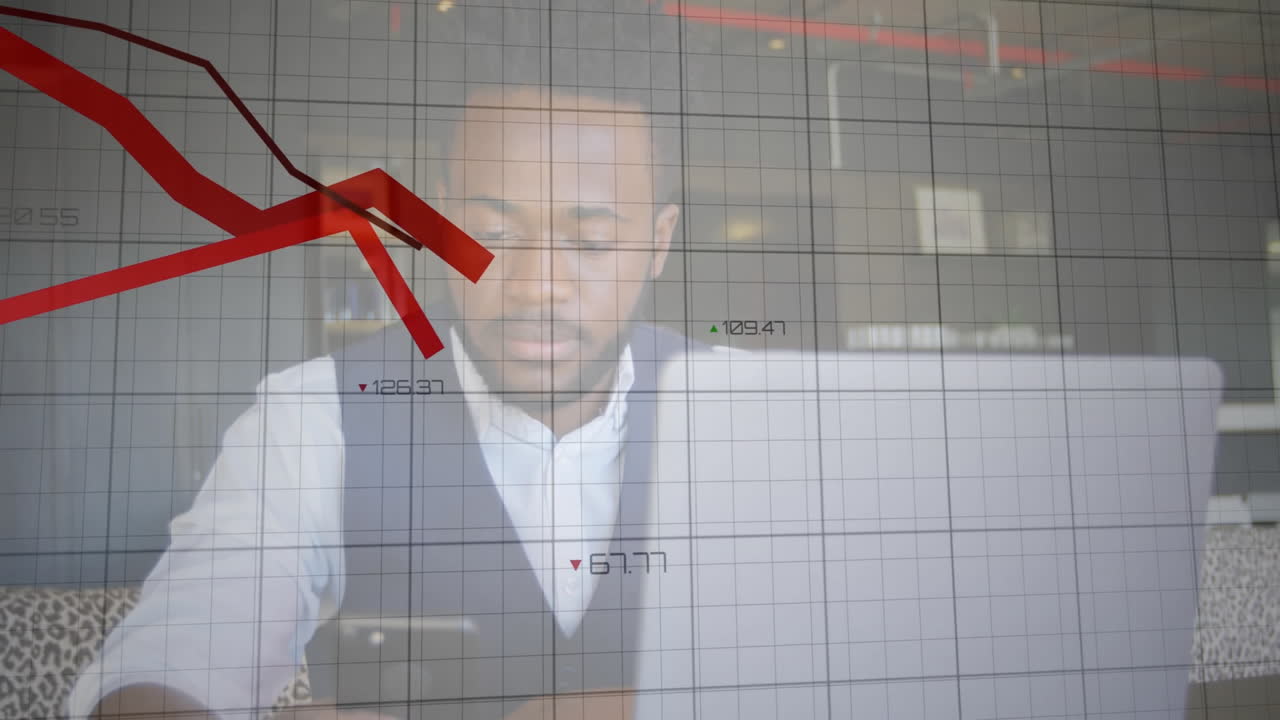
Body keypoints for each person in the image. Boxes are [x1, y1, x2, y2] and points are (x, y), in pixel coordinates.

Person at [70, 82, 707, 720]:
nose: (538, 286)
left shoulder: (753, 412)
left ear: (659, 242)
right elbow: (173, 655)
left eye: (592, 242)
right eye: (490, 231)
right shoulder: (314, 415)